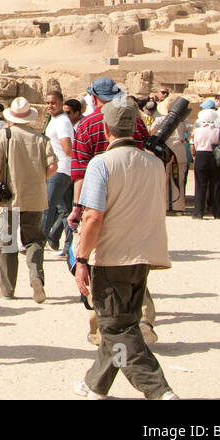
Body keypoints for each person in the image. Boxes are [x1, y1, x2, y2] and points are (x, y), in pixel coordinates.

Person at [72, 97, 176, 400]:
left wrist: (81, 258)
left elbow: (93, 216)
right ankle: (95, 384)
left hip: (113, 257)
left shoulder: (101, 164)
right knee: (123, 324)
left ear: (105, 129)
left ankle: (159, 391)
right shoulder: (155, 163)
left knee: (116, 329)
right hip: (143, 254)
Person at [67, 77, 154, 343]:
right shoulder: (137, 123)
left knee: (95, 262)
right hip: (133, 200)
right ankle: (143, 318)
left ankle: (99, 327)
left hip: (98, 200)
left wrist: (76, 208)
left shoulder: (86, 125)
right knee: (134, 259)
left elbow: (80, 171)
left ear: (93, 98)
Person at [0, 97, 56, 302]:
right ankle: (36, 278)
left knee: (7, 243)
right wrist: (39, 178)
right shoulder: (41, 138)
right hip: (35, 198)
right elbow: (52, 168)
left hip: (9, 198)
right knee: (34, 241)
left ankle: (7, 288)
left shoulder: (4, 135)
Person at [43, 94, 75, 254]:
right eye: (47, 103)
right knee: (66, 211)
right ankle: (69, 247)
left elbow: (67, 148)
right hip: (62, 170)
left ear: (61, 103)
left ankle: (37, 245)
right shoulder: (56, 120)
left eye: (53, 103)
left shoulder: (62, 121)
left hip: (60, 170)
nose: (50, 106)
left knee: (47, 208)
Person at [190, 111, 220, 219]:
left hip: (201, 155)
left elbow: (194, 144)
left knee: (200, 185)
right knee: (216, 184)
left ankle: (198, 212)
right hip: (214, 155)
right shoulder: (218, 130)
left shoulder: (197, 131)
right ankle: (218, 212)